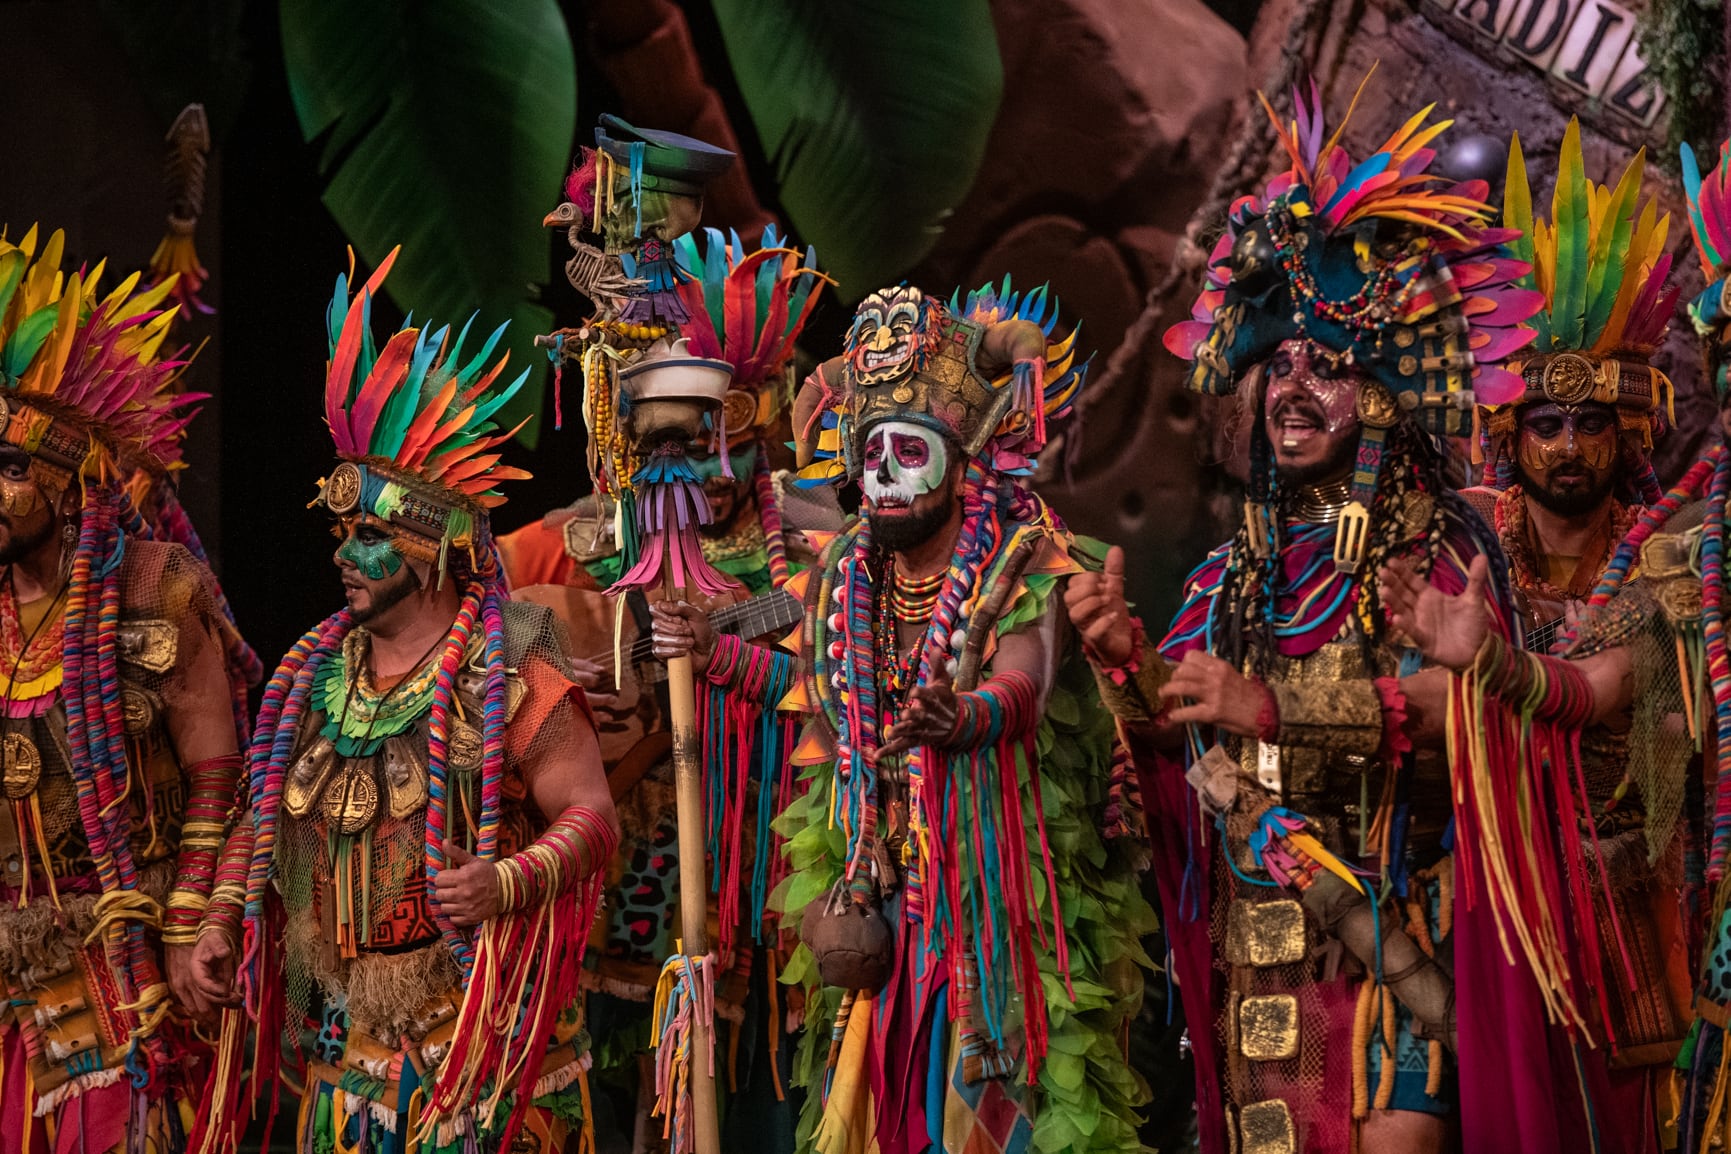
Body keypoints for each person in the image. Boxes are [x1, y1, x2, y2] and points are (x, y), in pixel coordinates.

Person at [1073, 87, 1576, 1153]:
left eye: (1333, 365)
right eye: (1282, 364)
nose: (1295, 388)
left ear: (1387, 396)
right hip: (1258, 978)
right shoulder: (1227, 574)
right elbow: (1181, 725)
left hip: (1399, 962)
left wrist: (1272, 703)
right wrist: (1127, 667)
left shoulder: (1440, 553)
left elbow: (1462, 712)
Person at [652, 278, 1154, 1154]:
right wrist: (710, 649)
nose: (880, 475)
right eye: (869, 449)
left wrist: (960, 718)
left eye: (908, 452)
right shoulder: (847, 569)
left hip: (994, 898)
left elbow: (1022, 687)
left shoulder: (1022, 554)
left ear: (960, 463)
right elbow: (814, 692)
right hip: (881, 892)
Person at [186, 249, 619, 1154]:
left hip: (481, 1045)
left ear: (433, 550)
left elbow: (589, 814)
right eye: (343, 533)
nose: (346, 553)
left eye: (373, 537)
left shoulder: (507, 665)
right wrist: (218, 921)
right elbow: (258, 819)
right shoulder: (314, 674)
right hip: (350, 1053)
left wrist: (503, 880)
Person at [0, 225, 258, 1154]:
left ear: (69, 480)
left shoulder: (154, 589)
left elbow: (222, 780)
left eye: (10, 468)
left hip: (120, 951)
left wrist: (192, 921)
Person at [1464, 123, 1688, 1152]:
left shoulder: (1667, 566)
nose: (1565, 445)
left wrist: (1492, 662)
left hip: (1636, 907)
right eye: (1544, 425)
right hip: (1493, 917)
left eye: (1586, 423)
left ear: (1624, 431)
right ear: (1514, 437)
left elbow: (1598, 687)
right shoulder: (1466, 547)